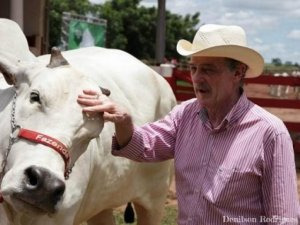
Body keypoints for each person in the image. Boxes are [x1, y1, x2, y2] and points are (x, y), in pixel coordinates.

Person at [77, 24, 300, 225]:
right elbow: (145, 146)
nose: (196, 78)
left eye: (208, 69)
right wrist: (124, 121)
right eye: (194, 68)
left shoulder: (270, 133)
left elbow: (284, 218)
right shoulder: (185, 115)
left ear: (238, 72)